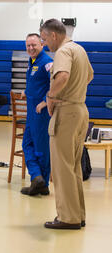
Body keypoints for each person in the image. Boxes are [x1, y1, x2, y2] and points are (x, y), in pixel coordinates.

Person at [40, 19, 94, 230]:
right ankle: (77, 214)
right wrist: (75, 91)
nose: (44, 44)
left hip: (67, 112)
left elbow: (62, 76)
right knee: (73, 167)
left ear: (54, 35)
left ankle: (67, 217)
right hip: (81, 110)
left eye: (44, 39)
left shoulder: (63, 52)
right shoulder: (78, 49)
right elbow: (89, 75)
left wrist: (51, 95)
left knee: (62, 168)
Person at [20, 33, 53, 196]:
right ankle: (37, 178)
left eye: (34, 45)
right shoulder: (32, 62)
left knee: (41, 149)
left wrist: (47, 100)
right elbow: (37, 82)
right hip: (31, 114)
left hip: (42, 114)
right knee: (27, 144)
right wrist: (27, 91)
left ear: (42, 44)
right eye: (28, 46)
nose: (31, 48)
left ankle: (42, 183)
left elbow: (58, 82)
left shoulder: (47, 62)